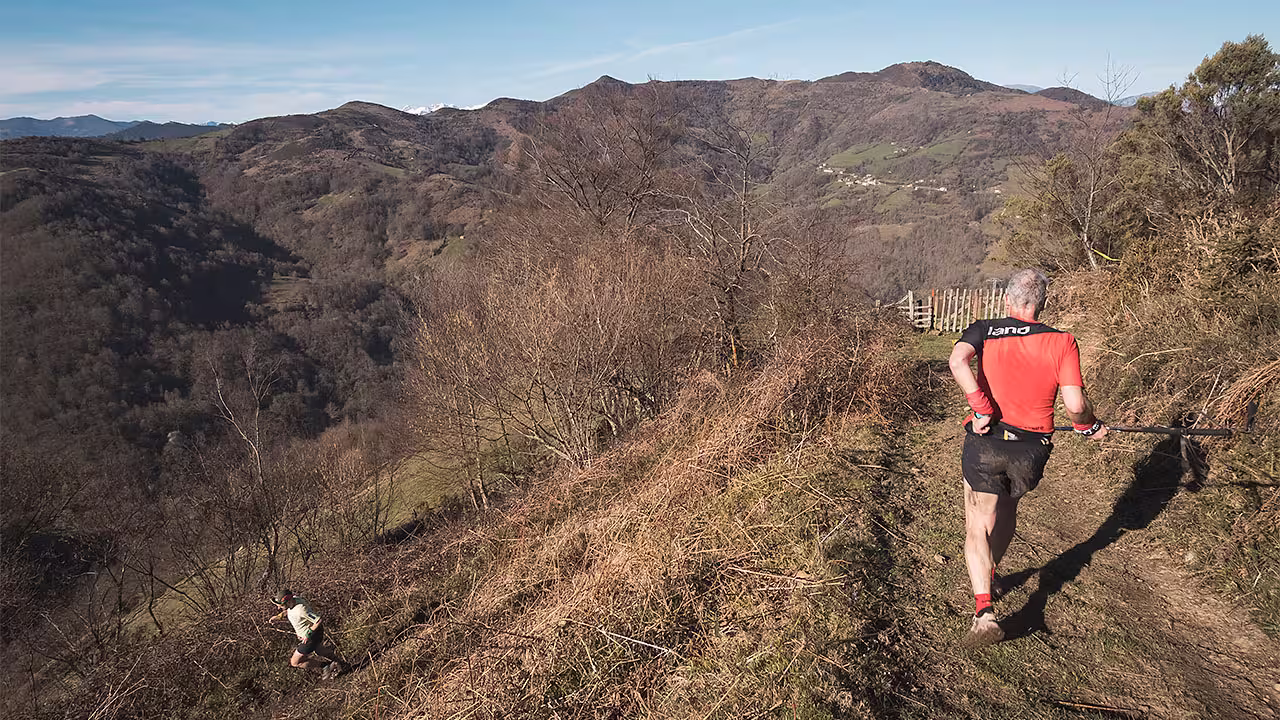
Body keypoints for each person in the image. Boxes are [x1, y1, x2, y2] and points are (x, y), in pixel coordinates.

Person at [948, 269, 1108, 647]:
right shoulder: (1063, 341)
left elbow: (957, 361)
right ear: (1042, 304)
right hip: (1031, 449)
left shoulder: (984, 329)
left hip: (986, 442)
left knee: (977, 522)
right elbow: (1075, 405)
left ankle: (984, 610)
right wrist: (1088, 426)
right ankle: (993, 572)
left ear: (1007, 301)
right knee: (1008, 511)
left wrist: (981, 406)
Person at [269, 589, 343, 678]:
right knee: (319, 650)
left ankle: (326, 666)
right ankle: (339, 664)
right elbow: (288, 610)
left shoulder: (301, 609)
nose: (278, 608)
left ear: (288, 602)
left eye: (280, 605)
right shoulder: (293, 602)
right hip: (313, 634)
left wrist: (308, 634)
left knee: (295, 662)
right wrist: (278, 617)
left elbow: (318, 620)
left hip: (312, 636)